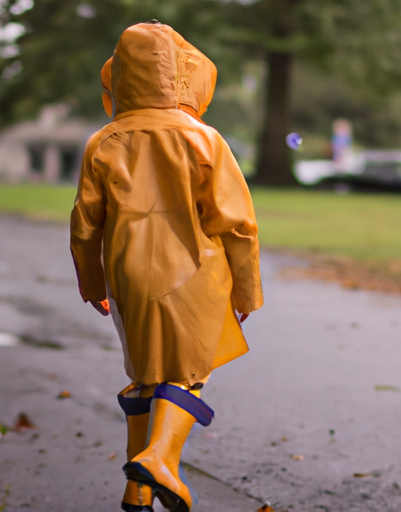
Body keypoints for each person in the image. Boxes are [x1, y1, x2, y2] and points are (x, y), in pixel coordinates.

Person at [70, 21, 263, 512]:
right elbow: (237, 223)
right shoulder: (203, 139)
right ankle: (159, 458)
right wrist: (246, 292)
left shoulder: (103, 142)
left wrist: (92, 283)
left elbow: (85, 223)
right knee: (187, 370)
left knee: (146, 372)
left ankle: (136, 491)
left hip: (127, 272)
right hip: (196, 270)